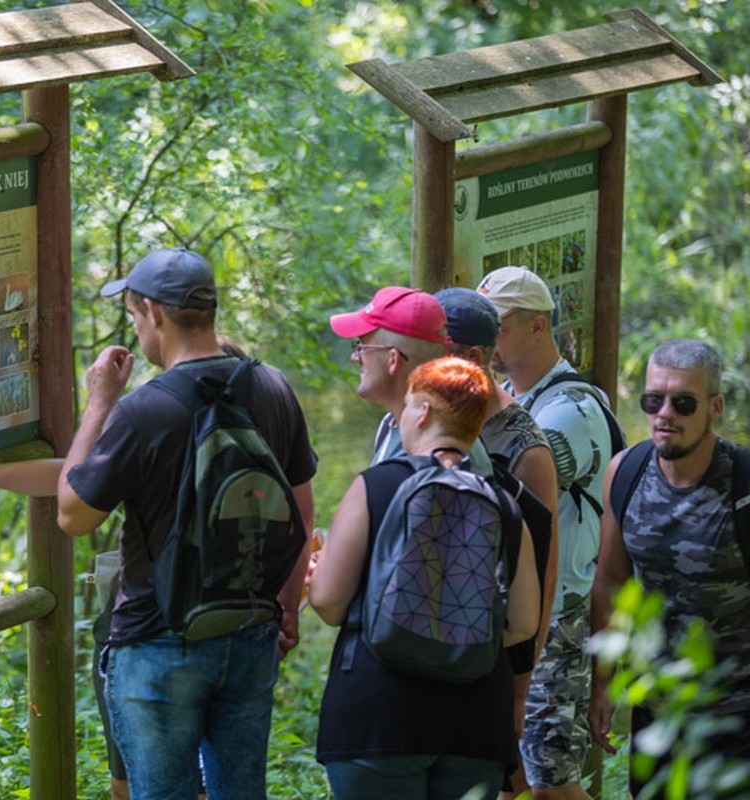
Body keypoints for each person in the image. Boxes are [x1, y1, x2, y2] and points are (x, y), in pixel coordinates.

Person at [59, 247, 316, 800]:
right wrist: (286, 606)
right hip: (250, 629)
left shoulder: (142, 410)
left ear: (152, 312)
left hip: (158, 641)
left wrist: (98, 404)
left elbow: (72, 514)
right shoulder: (271, 386)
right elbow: (301, 510)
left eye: (132, 316)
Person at [588, 339, 750, 798]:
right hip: (658, 708)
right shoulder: (626, 472)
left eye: (683, 402)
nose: (665, 413)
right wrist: (601, 684)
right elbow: (611, 581)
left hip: (742, 713)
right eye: (653, 400)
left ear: (714, 407)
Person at [307, 356, 540, 800]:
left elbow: (331, 603)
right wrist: (456, 634)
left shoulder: (375, 486)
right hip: (474, 725)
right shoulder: (505, 505)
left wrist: (318, 580)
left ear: (424, 412)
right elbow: (524, 622)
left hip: (378, 716)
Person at [477, 266, 616, 800]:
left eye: (500, 328)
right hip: (518, 616)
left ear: (538, 326)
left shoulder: (573, 410)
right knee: (511, 775)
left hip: (557, 620)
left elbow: (523, 473)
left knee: (551, 784)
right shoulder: (512, 395)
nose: (490, 344)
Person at [435, 287, 560, 798]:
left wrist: (520, 688)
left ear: (471, 358)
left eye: (430, 347)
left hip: (484, 660)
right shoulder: (404, 415)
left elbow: (542, 571)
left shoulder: (523, 445)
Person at [329, 285, 492, 472]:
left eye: (362, 348)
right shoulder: (396, 424)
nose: (355, 357)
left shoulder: (432, 449)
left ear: (393, 360)